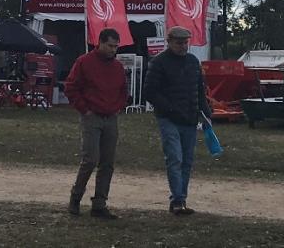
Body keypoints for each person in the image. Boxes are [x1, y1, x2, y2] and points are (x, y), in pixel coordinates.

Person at [143, 26, 212, 215]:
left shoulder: (192, 61)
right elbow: (149, 91)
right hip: (168, 118)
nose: (183, 46)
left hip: (189, 118)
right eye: (179, 43)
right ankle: (177, 200)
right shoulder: (159, 63)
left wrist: (206, 113)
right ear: (169, 42)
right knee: (175, 158)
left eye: (185, 43)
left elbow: (199, 90)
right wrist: (169, 109)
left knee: (186, 161)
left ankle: (181, 198)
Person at [63, 28, 128, 219]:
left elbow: (123, 90)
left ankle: (99, 205)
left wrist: (118, 106)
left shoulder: (117, 67)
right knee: (90, 159)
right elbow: (71, 87)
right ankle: (75, 198)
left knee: (107, 163)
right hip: (91, 117)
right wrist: (85, 110)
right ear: (99, 43)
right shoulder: (84, 62)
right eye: (110, 46)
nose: (113, 50)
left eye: (116, 47)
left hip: (111, 118)